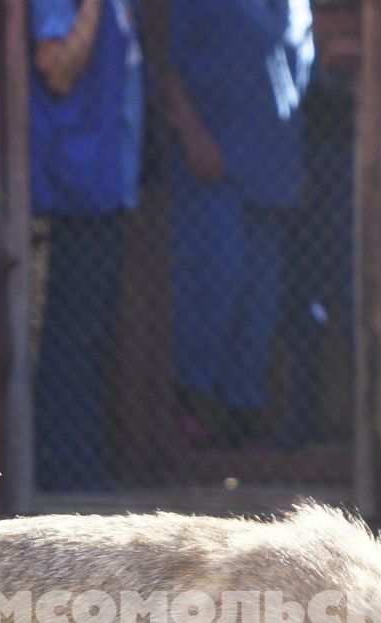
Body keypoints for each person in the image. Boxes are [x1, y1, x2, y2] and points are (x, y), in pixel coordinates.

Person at [165, 0, 314, 448]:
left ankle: (239, 417)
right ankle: (190, 406)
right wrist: (192, 135)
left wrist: (297, 160)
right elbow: (167, 71)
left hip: (273, 173)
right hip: (215, 166)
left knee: (261, 298)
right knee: (219, 277)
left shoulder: (294, 6)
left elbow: (294, 77)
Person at [30, 0, 145, 492]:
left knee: (89, 334)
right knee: (71, 337)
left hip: (105, 183)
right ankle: (67, 476)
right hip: (74, 185)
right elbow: (56, 69)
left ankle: (84, 469)